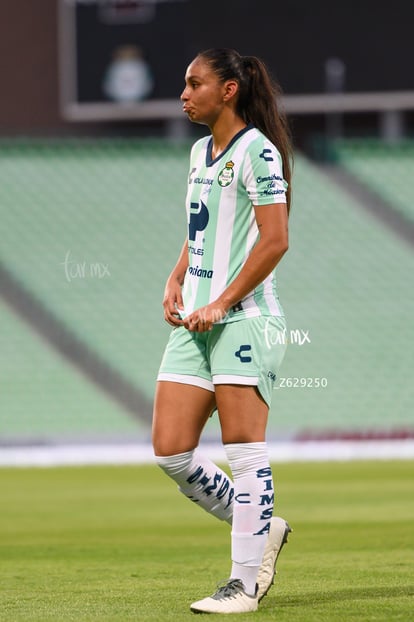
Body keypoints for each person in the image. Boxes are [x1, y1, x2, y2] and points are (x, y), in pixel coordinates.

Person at [152, 47, 293, 614]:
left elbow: (275, 239)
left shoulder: (258, 150)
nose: (184, 94)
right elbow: (199, 225)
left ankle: (243, 584)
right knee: (171, 454)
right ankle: (264, 525)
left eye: (194, 83)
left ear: (229, 89)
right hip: (195, 323)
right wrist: (176, 277)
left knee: (245, 454)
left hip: (244, 321)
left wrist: (225, 300)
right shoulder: (198, 151)